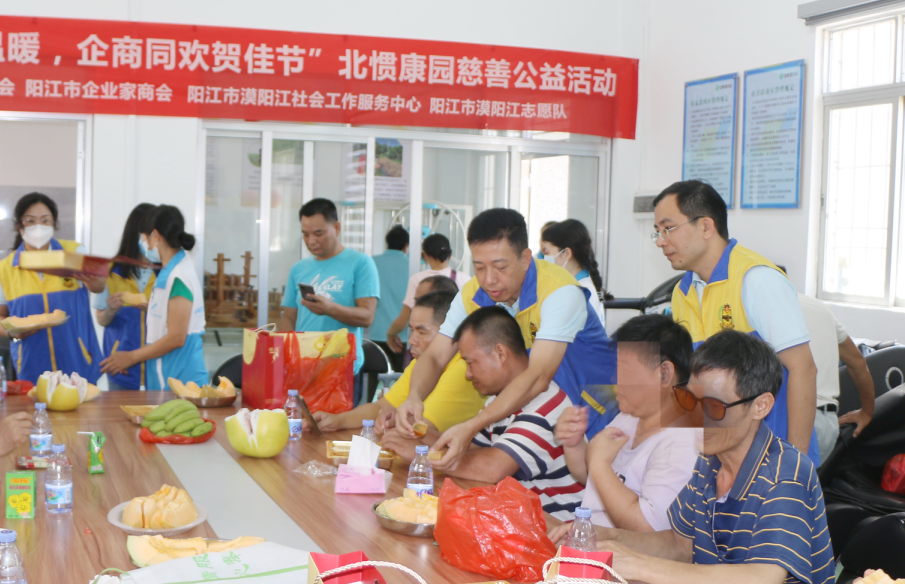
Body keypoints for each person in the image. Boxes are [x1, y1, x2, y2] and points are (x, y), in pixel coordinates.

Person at [551, 330, 834, 584]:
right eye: (690, 400)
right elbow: (681, 545)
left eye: (714, 407)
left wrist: (638, 565)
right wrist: (606, 538)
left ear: (760, 406)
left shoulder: (786, 474)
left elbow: (763, 576)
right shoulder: (709, 462)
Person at [395, 208, 617, 469]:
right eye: (479, 267)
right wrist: (414, 397)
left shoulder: (559, 291)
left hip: (594, 418)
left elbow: (538, 376)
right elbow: (435, 355)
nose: (489, 279)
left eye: (500, 267)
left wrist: (472, 426)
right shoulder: (473, 293)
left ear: (525, 258)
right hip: (546, 419)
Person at [653, 180, 820, 463]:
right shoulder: (682, 292)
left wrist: (794, 465)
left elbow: (803, 370)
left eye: (668, 228)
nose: (660, 241)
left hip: (773, 454)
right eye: (657, 232)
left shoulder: (757, 280)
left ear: (706, 226)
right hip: (721, 456)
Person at [385, 306, 584, 521]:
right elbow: (470, 448)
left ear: (500, 353)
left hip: (555, 528)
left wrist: (420, 456)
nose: (468, 374)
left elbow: (492, 468)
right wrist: (413, 434)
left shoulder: (546, 405)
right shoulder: (498, 401)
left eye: (471, 363)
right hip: (516, 519)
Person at [554, 314, 699, 531]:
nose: (614, 380)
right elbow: (594, 477)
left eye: (626, 371)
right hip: (591, 540)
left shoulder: (683, 443)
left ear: (664, 374)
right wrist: (575, 444)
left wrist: (599, 463)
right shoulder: (629, 417)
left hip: (620, 551)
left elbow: (649, 529)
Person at [309, 290, 484, 435]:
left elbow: (417, 429)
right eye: (411, 331)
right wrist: (336, 420)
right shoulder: (420, 364)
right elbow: (381, 406)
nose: (412, 340)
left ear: (447, 333)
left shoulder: (463, 370)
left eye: (422, 332)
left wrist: (391, 421)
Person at [0, 192, 105, 383]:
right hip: (31, 365)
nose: (38, 227)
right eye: (30, 221)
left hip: (78, 362)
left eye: (45, 220)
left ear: (54, 224)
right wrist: (12, 332)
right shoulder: (5, 268)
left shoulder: (74, 252)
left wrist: (92, 280)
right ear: (19, 226)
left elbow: (99, 287)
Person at [100, 205, 208, 389]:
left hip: (183, 382)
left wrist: (130, 357)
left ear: (155, 236)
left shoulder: (178, 278)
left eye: (143, 237)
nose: (143, 243)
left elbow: (176, 337)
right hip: (169, 378)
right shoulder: (170, 274)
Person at [278, 198, 379, 376]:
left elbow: (367, 317)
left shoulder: (360, 263)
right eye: (305, 234)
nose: (311, 241)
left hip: (341, 366)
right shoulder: (298, 269)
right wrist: (283, 355)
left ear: (337, 228)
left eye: (319, 233)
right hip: (303, 364)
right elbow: (289, 317)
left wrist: (329, 309)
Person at [797, 293, 875, 461]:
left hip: (794, 419)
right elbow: (858, 363)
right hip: (825, 425)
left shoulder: (759, 310)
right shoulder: (819, 307)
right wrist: (867, 412)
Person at [94, 203, 158, 390]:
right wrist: (111, 310)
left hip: (159, 368)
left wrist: (154, 310)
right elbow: (101, 319)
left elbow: (178, 324)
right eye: (149, 233)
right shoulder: (110, 270)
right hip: (120, 368)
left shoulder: (167, 272)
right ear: (135, 234)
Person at [385, 233, 469, 355]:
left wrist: (391, 334)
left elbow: (404, 318)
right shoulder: (465, 279)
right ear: (449, 255)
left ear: (425, 254)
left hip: (425, 346)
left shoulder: (419, 280)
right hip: (455, 346)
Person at [541, 219, 610, 327]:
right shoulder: (578, 286)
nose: (545, 259)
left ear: (567, 253)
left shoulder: (579, 292)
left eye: (547, 253)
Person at [370, 225, 410, 373]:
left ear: (387, 242)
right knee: (400, 381)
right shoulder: (413, 267)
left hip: (375, 334)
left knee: (373, 381)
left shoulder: (372, 263)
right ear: (406, 245)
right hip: (401, 337)